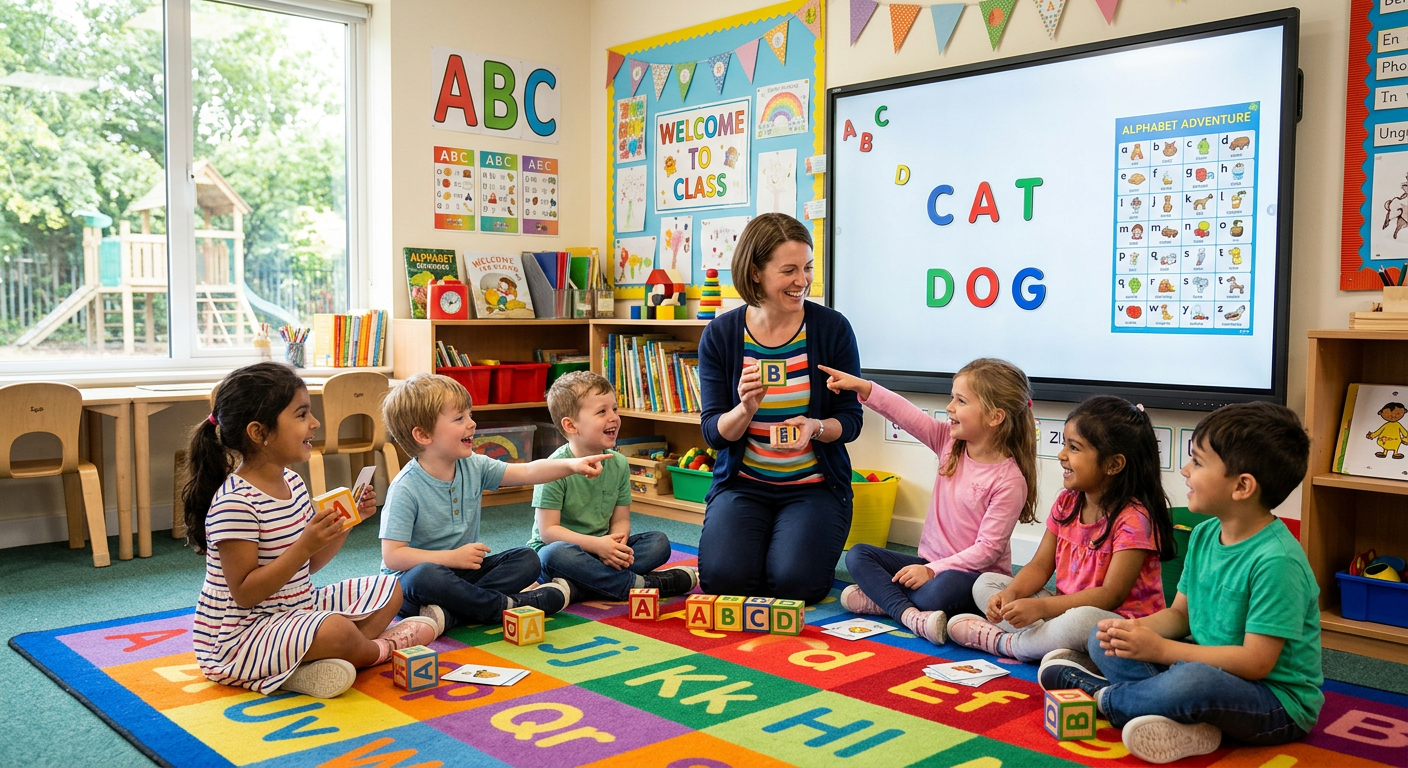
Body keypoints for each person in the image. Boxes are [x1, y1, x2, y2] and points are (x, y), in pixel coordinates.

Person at [1040, 402, 1320, 764]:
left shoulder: (1277, 561)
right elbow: (1180, 616)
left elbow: (1255, 663)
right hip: (1205, 667)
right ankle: (1175, 717)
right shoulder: (1204, 535)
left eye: (1198, 463)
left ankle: (1100, 695)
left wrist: (1161, 651)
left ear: (1242, 486)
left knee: (1194, 682)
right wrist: (1133, 632)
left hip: (1273, 702)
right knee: (1101, 634)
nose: (1185, 470)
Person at [183, 363, 438, 699]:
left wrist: (346, 524)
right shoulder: (235, 503)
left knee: (390, 588)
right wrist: (304, 546)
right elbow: (245, 593)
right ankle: (382, 649)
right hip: (241, 639)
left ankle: (314, 661)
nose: (315, 423)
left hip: (297, 608)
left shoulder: (292, 482)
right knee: (335, 630)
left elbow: (309, 566)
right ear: (259, 433)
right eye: (302, 414)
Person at [696, 213, 863, 604]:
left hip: (814, 487)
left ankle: (787, 544)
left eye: (807, 268)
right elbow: (714, 434)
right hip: (743, 484)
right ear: (755, 272)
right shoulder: (721, 335)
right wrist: (745, 408)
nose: (802, 281)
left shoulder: (832, 329)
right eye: (789, 270)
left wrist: (815, 427)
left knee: (795, 586)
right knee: (723, 581)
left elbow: (851, 421)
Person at [823, 358, 1038, 646]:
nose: (950, 407)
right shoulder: (948, 442)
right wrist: (863, 387)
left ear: (995, 416)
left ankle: (885, 599)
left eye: (961, 401)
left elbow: (988, 550)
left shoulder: (1009, 480)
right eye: (953, 398)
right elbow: (905, 413)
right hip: (929, 563)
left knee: (939, 591)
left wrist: (931, 571)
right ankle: (910, 615)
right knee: (857, 555)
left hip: (972, 577)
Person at [947, 395, 1175, 661]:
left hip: (1115, 622)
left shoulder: (1134, 518)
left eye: (1074, 448)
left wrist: (1042, 607)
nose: (1062, 455)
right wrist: (1010, 595)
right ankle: (1048, 645)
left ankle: (1004, 644)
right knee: (986, 583)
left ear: (1113, 464)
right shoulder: (1067, 502)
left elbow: (1110, 595)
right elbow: (1039, 566)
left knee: (1079, 621)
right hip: (1062, 611)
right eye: (1065, 444)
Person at [379, 373, 610, 629]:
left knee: (527, 559)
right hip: (412, 586)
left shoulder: (473, 465)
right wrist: (452, 557)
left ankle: (455, 612)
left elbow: (527, 471)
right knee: (426, 575)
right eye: (459, 418)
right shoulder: (405, 487)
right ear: (423, 435)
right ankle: (505, 605)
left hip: (463, 574)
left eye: (469, 415)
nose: (472, 424)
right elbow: (394, 557)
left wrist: (572, 464)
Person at [530, 371, 697, 600]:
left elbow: (620, 520)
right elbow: (549, 532)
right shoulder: (553, 468)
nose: (614, 418)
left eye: (615, 409)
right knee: (553, 555)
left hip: (603, 552)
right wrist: (597, 545)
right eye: (602, 411)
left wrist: (616, 545)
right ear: (571, 425)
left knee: (659, 543)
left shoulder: (619, 463)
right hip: (565, 551)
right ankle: (643, 584)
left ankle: (582, 587)